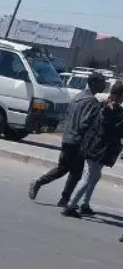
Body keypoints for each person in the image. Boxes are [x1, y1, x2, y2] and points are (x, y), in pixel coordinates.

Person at [29, 71, 106, 206]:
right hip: (78, 141)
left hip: (67, 138)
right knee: (76, 172)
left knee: (63, 168)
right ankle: (64, 199)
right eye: (102, 83)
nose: (104, 86)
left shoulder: (77, 97)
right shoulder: (92, 102)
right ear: (93, 83)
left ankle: (40, 182)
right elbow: (85, 123)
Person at [62, 79, 123, 218]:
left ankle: (84, 204)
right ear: (119, 95)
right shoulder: (114, 110)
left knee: (94, 176)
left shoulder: (104, 105)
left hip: (95, 146)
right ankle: (70, 206)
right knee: (89, 176)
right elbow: (118, 130)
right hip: (99, 149)